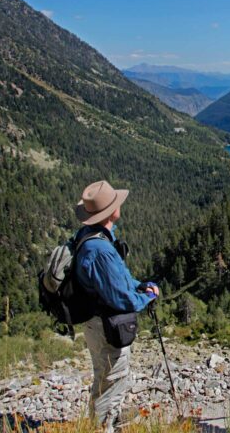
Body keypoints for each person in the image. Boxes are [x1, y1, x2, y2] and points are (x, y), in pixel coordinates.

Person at [73, 180, 160, 432]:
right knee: (110, 378)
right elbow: (121, 299)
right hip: (106, 327)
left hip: (96, 322)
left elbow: (118, 278)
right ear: (110, 212)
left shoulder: (91, 236)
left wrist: (139, 284)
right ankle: (102, 426)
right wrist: (148, 296)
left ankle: (108, 417)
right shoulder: (100, 250)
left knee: (107, 377)